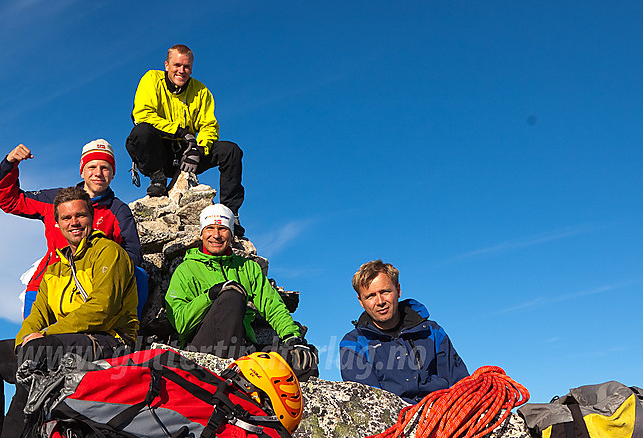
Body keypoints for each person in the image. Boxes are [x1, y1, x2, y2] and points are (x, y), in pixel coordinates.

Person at [0, 186, 139, 438]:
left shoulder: (108, 253)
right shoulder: (55, 267)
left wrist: (43, 335)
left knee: (36, 355)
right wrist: (25, 339)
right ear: (56, 223)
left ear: (91, 218)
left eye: (80, 215)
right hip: (64, 340)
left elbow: (102, 310)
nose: (74, 223)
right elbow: (38, 314)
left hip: (109, 341)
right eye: (67, 218)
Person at [165, 204, 316, 378]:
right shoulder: (186, 270)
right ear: (201, 233)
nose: (216, 235)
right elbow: (180, 323)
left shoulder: (247, 268)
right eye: (210, 229)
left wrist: (293, 339)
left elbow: (272, 304)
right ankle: (227, 379)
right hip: (202, 346)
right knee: (231, 296)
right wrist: (210, 296)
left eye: (222, 228)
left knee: (303, 358)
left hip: (243, 346)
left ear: (231, 234)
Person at [0, 139, 142, 317]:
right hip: (45, 285)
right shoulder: (56, 200)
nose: (98, 173)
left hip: (90, 288)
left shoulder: (118, 211)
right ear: (82, 171)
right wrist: (10, 164)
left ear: (113, 174)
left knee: (139, 275)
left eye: (105, 168)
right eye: (92, 167)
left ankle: (131, 336)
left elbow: (132, 255)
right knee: (33, 341)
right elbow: (10, 201)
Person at [126, 44, 245, 234]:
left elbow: (209, 125)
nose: (181, 71)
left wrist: (199, 149)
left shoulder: (201, 90)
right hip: (159, 152)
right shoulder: (151, 79)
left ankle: (231, 213)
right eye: (177, 65)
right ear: (167, 65)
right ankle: (157, 177)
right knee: (141, 132)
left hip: (187, 155)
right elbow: (143, 114)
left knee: (230, 151)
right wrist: (181, 133)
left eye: (186, 67)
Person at [339, 259, 469, 403]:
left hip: (444, 414)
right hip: (393, 420)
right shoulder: (353, 345)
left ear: (398, 290)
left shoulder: (433, 332)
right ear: (361, 301)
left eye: (385, 292)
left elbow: (461, 384)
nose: (380, 301)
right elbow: (369, 404)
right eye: (371, 296)